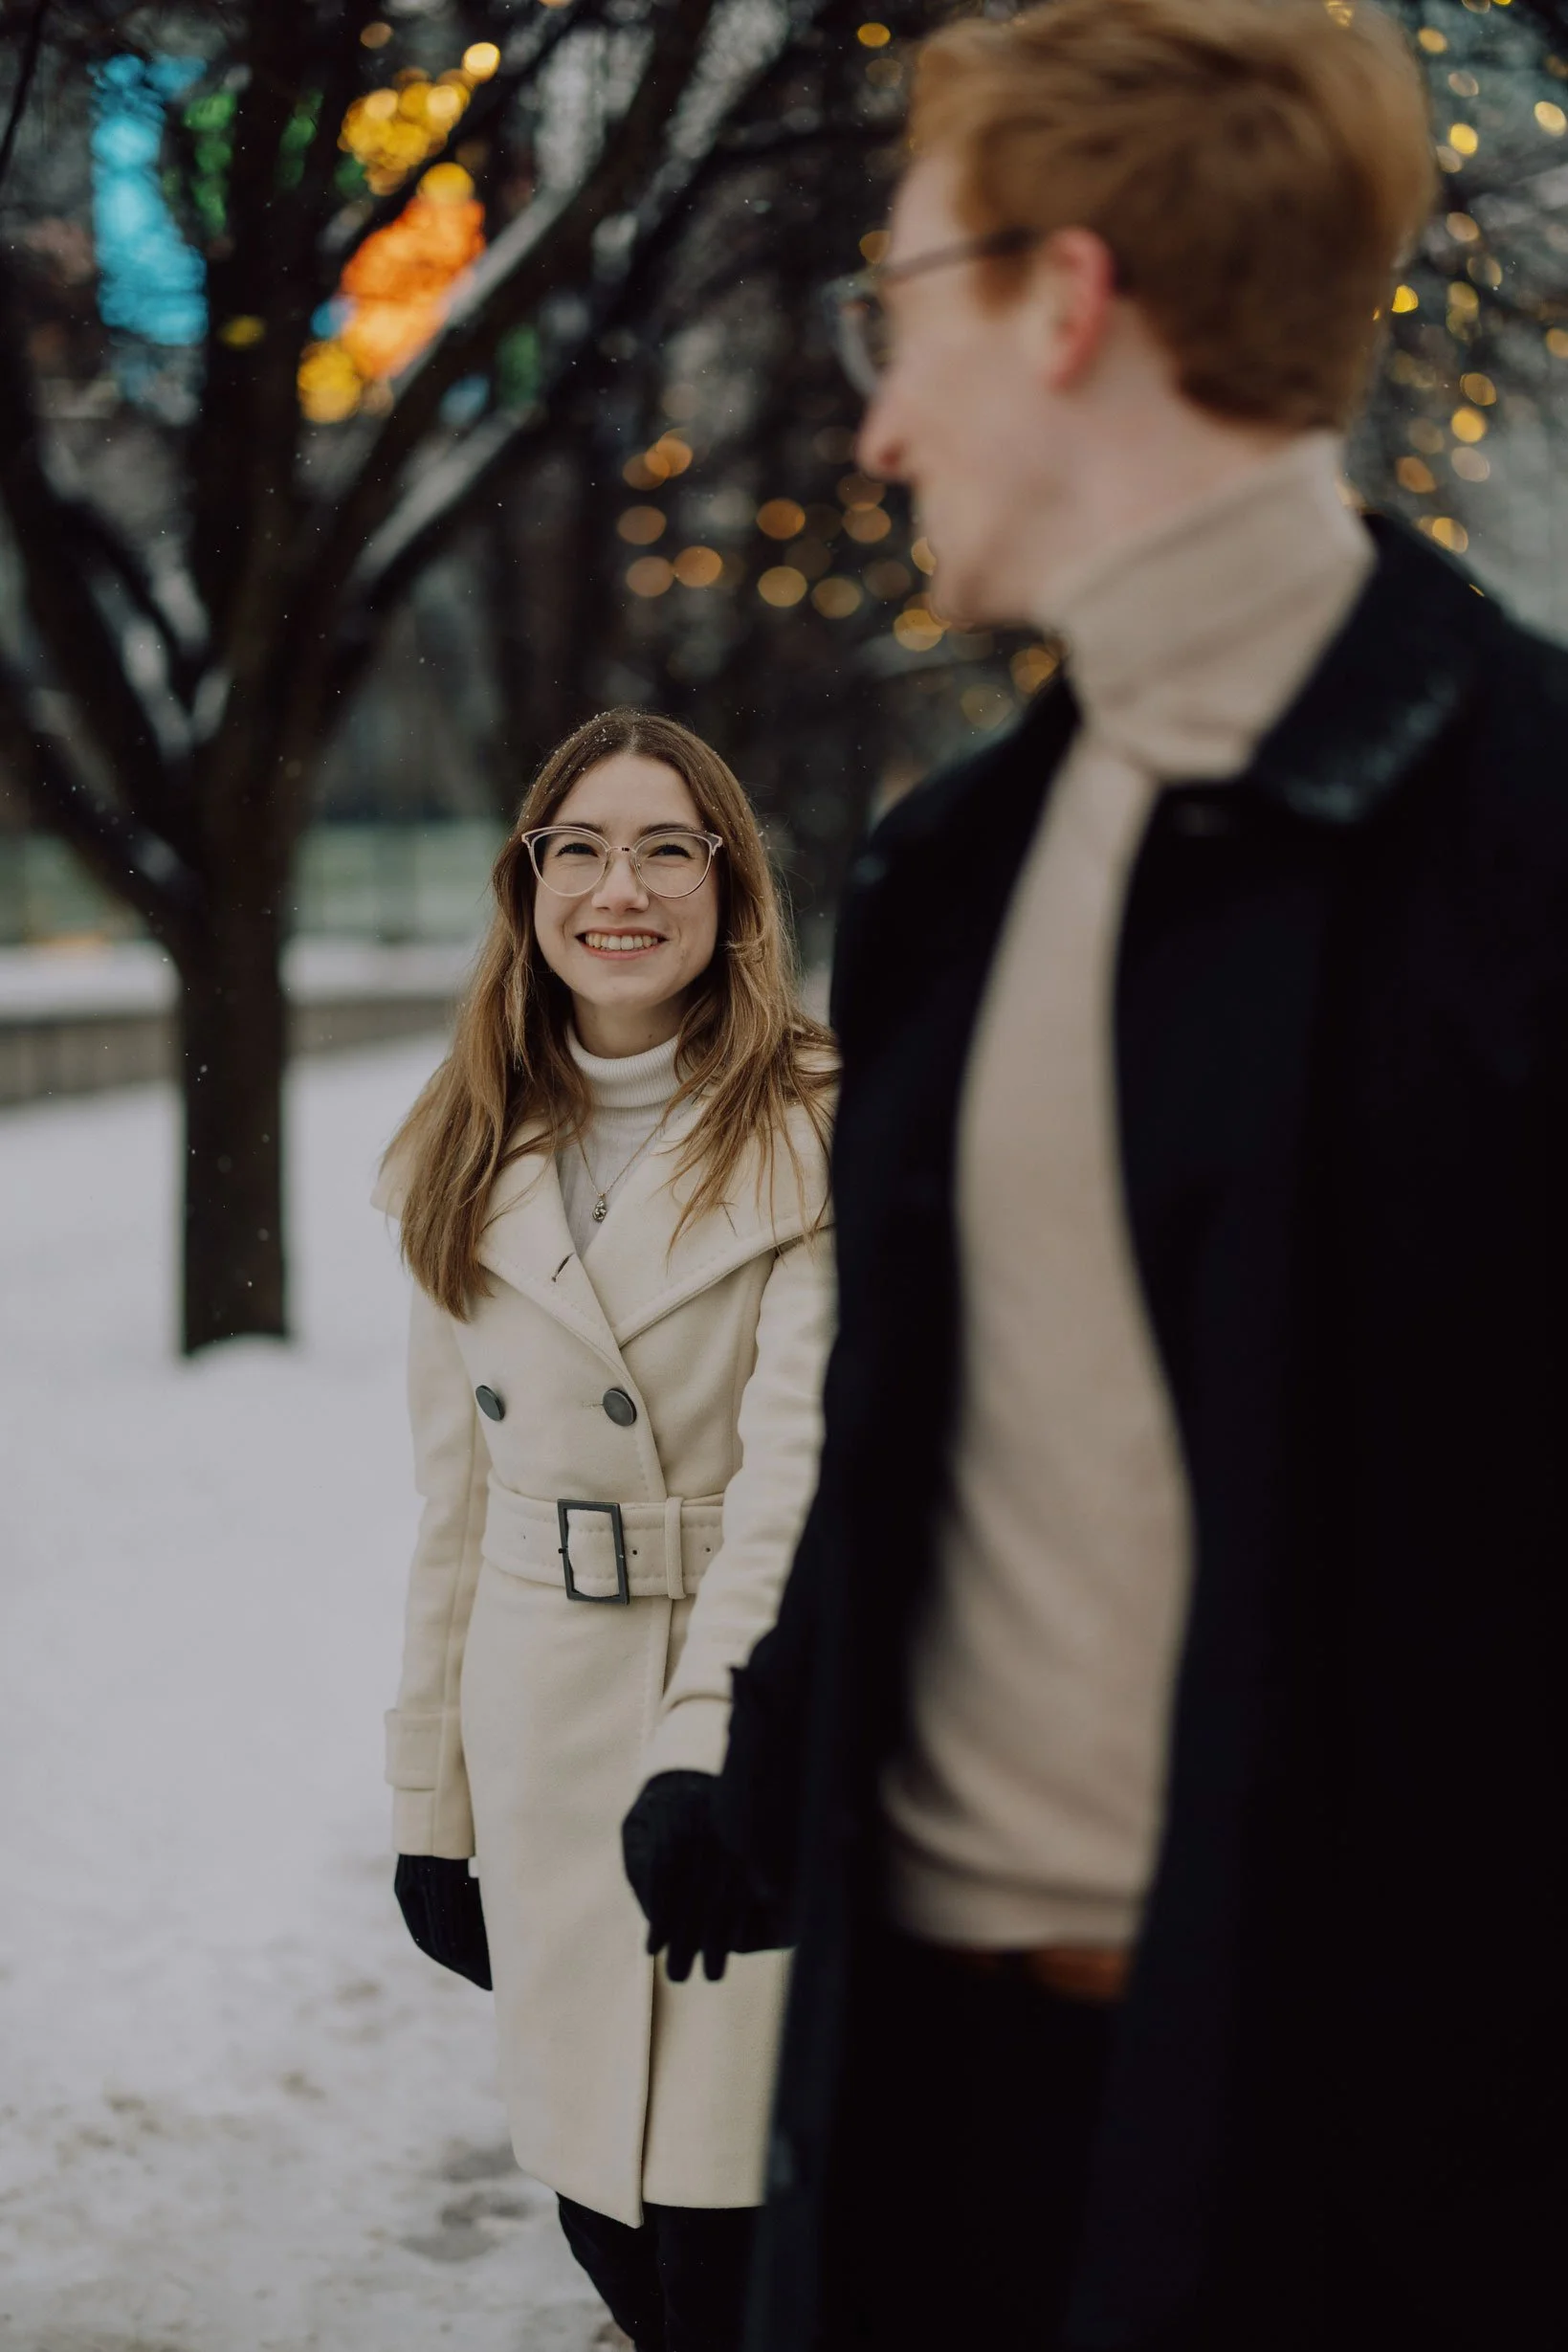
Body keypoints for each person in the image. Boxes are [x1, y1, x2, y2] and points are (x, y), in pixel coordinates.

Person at [622, 3, 1568, 2347]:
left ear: (1065, 299)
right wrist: (743, 1771)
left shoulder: (1524, 849)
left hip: (1368, 2182)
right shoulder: (954, 865)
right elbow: (924, 1429)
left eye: (898, 309)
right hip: (927, 2132)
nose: (874, 413)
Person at [377, 709, 835, 2352]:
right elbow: (455, 1502)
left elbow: (800, 1474)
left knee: (732, 2243)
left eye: (665, 847)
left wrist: (718, 1750)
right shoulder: (462, 1137)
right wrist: (432, 1801)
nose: (617, 888)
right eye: (579, 847)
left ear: (730, 883)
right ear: (529, 883)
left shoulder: (823, 1128)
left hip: (746, 1740)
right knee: (607, 2222)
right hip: (546, 1737)